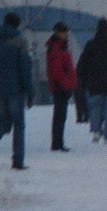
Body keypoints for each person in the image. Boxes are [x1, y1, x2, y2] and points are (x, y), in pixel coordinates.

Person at [0, 12, 34, 168]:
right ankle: (18, 160)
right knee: (18, 124)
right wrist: (30, 93)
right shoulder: (20, 42)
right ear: (17, 25)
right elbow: (25, 69)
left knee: (4, 120)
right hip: (15, 89)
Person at [76, 17, 107, 143]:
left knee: (95, 109)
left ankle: (96, 132)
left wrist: (83, 80)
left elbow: (83, 64)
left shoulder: (90, 45)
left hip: (94, 83)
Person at [45, 22, 77, 151]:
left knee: (60, 116)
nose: (66, 34)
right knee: (60, 116)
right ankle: (57, 143)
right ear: (58, 32)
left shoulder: (59, 46)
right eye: (64, 32)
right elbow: (57, 70)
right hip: (61, 86)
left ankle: (58, 142)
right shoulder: (57, 47)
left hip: (62, 85)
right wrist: (66, 85)